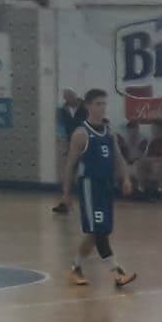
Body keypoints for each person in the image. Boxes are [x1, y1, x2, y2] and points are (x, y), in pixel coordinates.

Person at [62, 89, 138, 289]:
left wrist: (126, 178)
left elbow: (118, 158)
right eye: (98, 104)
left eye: (104, 103)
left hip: (106, 186)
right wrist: (66, 194)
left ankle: (75, 268)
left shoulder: (109, 132)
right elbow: (70, 165)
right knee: (99, 232)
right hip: (90, 187)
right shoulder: (81, 133)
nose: (102, 107)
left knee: (97, 232)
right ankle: (117, 272)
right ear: (88, 106)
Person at [52, 90, 87, 214]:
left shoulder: (86, 108)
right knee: (66, 173)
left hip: (84, 144)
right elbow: (61, 129)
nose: (68, 100)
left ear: (75, 96)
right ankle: (66, 202)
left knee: (84, 174)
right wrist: (63, 146)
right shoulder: (62, 111)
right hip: (68, 144)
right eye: (66, 98)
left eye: (70, 97)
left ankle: (87, 202)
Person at [137, 122, 162, 196]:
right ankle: (141, 190)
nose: (154, 131)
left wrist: (153, 159)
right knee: (141, 163)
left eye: (156, 129)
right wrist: (149, 159)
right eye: (153, 129)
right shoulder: (152, 140)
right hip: (155, 161)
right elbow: (146, 157)